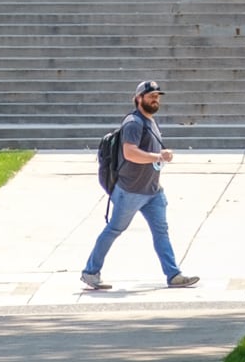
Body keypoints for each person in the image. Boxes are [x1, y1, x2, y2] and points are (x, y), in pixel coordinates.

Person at [82, 80, 198, 289]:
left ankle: (174, 275)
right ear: (138, 99)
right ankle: (90, 272)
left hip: (152, 191)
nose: (155, 99)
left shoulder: (150, 121)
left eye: (157, 96)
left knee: (161, 232)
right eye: (150, 96)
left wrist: (160, 156)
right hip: (130, 191)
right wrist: (157, 156)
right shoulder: (133, 123)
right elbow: (130, 152)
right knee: (114, 229)